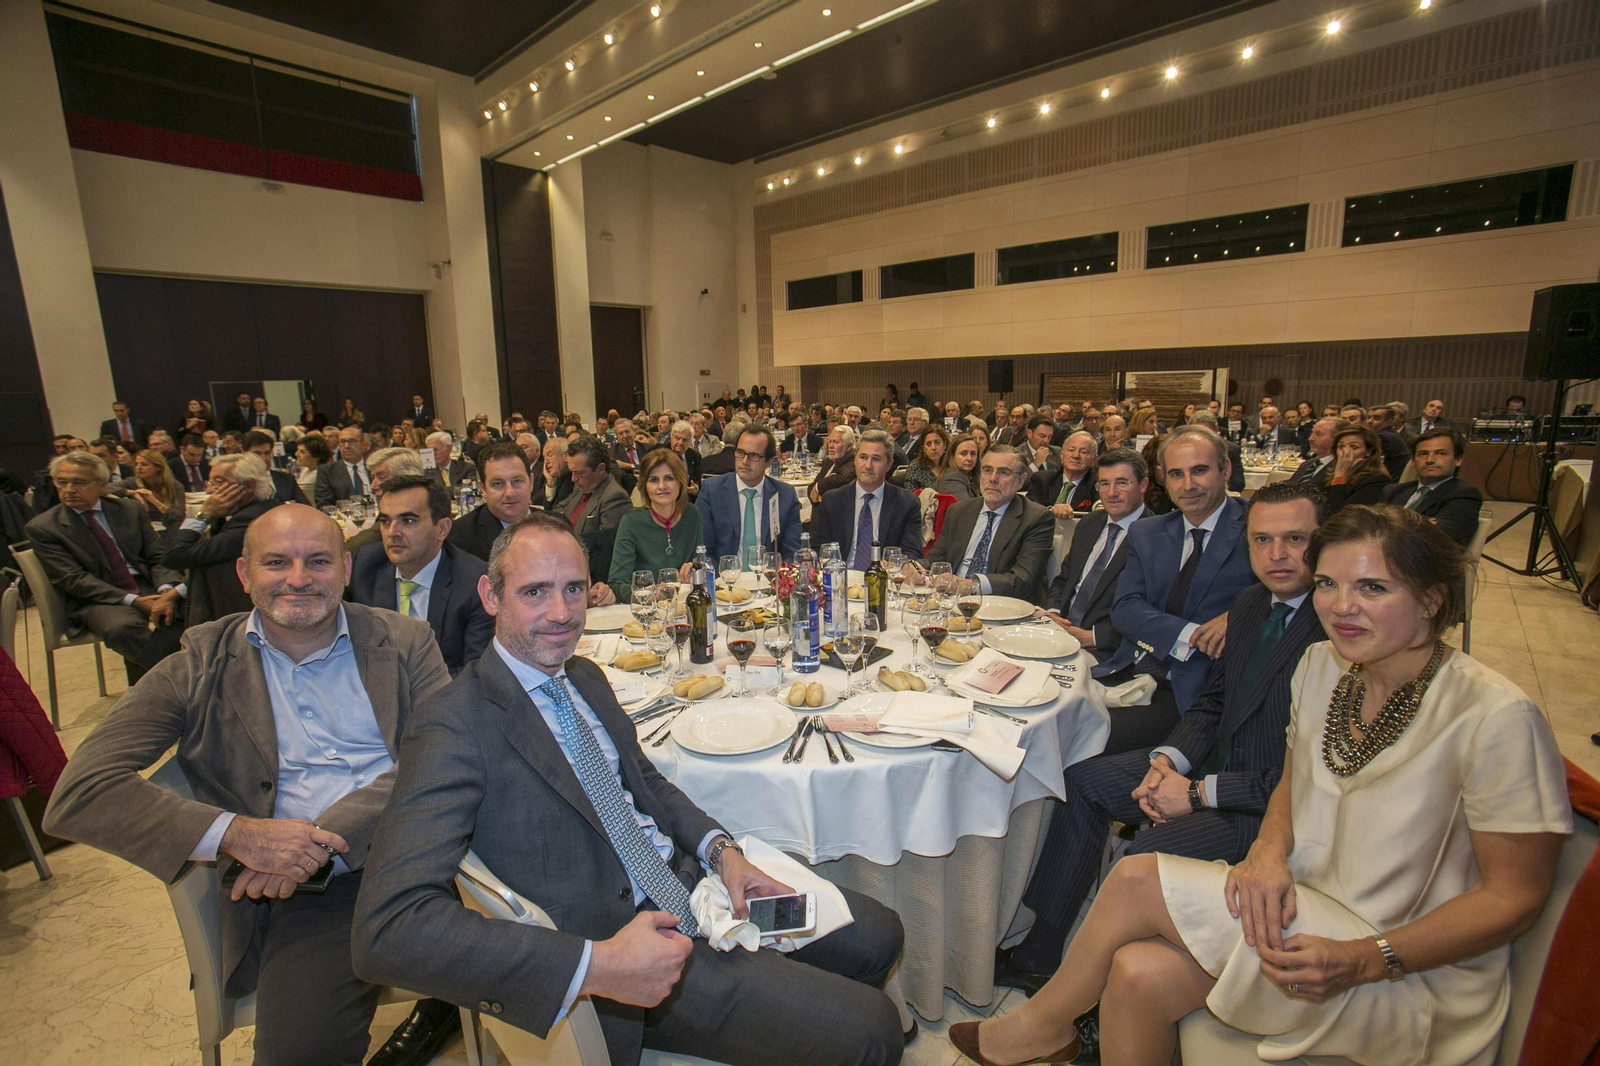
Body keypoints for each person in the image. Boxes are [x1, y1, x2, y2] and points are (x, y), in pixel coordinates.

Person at [955, 505, 1570, 1066]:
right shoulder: (1324, 666)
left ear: (1433, 599)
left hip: (1402, 962)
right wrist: (1269, 854)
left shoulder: (1496, 716)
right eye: (1328, 584)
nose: (1340, 606)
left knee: (1137, 875)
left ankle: (1040, 1027)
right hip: (1304, 904)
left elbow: (1514, 898)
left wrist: (1367, 957)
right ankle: (1050, 1024)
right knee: (1136, 973)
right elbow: (1292, 784)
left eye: (1372, 588)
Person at [352, 512, 905, 1064]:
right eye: (535, 592)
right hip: (625, 951)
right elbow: (388, 929)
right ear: (490, 596)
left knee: (880, 933)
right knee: (872, 1030)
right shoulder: (452, 724)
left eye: (573, 589)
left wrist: (722, 852)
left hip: (694, 886)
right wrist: (595, 965)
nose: (562, 614)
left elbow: (647, 785)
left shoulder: (584, 676)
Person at [43, 504, 458, 1066]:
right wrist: (237, 834)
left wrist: (310, 841)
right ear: (244, 575)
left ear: (345, 569)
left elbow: (441, 757)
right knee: (300, 1055)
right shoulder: (198, 663)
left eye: (317, 561)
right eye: (275, 562)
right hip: (323, 893)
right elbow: (80, 792)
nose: (298, 578)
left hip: (441, 852)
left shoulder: (406, 640)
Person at [997, 481, 1330, 1018]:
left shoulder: (1334, 632)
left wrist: (1197, 793)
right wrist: (1166, 760)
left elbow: (1309, 776)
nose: (1277, 555)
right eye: (1263, 540)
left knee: (1142, 859)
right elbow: (1212, 705)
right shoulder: (1249, 605)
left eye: (1295, 539)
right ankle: (1041, 950)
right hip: (1209, 768)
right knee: (1084, 783)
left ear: (1324, 542)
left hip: (1269, 811)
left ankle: (1101, 1007)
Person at [1096, 426, 1256, 753]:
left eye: (1199, 471)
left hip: (1193, 692)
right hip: (1125, 671)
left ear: (1225, 470)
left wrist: (1242, 613)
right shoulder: (1148, 531)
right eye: (1176, 474)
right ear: (1163, 480)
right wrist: (1192, 636)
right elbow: (1125, 608)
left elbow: (1291, 590)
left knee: (1080, 741)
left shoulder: (1257, 528)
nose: (1188, 485)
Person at [26, 452, 186, 680]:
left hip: (147, 585)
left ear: (102, 484)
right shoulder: (44, 527)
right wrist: (135, 601)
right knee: (122, 629)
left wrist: (165, 591)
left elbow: (157, 555)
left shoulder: (129, 510)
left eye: (79, 482)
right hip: (97, 599)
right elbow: (73, 579)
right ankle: (184, 680)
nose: (69, 489)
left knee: (191, 609)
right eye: (62, 482)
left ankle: (156, 688)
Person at [349, 475, 492, 677]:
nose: (392, 532)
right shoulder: (365, 565)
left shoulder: (474, 581)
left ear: (442, 529)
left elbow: (475, 672)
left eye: (408, 521)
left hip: (441, 699)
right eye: (385, 521)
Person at [1041, 450, 1151, 652]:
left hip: (1107, 649)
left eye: (1122, 483)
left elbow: (1151, 613)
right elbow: (1064, 579)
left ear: (1143, 485)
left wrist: (1093, 637)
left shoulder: (1155, 537)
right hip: (1059, 634)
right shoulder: (1089, 523)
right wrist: (1054, 612)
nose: (1111, 493)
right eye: (1104, 484)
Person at [916, 445, 1053, 601]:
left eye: (1003, 472)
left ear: (1021, 480)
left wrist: (971, 585)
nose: (993, 479)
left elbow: (1024, 579)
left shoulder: (1036, 518)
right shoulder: (959, 511)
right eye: (987, 470)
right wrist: (916, 567)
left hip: (1001, 604)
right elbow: (937, 557)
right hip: (951, 599)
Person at [162, 453, 284, 625]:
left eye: (218, 482)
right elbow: (214, 563)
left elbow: (174, 556)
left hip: (235, 617)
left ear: (249, 486)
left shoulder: (249, 523)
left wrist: (203, 515)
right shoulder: (260, 509)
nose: (209, 491)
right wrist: (177, 591)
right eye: (209, 482)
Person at [814, 429, 925, 566]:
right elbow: (819, 548)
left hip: (884, 579)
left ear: (889, 464)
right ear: (855, 459)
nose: (868, 466)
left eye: (876, 459)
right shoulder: (833, 500)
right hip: (841, 577)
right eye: (863, 457)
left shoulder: (906, 503)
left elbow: (912, 552)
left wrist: (899, 565)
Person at [696, 425, 801, 564]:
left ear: (769, 461)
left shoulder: (785, 495)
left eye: (754, 456)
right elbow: (704, 551)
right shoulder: (712, 491)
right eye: (740, 452)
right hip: (724, 580)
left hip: (769, 579)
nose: (744, 461)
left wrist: (778, 578)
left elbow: (792, 552)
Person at [610, 449, 705, 599]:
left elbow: (701, 564)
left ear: (680, 482)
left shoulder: (692, 514)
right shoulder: (631, 523)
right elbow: (616, 584)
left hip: (686, 603)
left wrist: (695, 568)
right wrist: (650, 594)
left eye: (669, 478)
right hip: (648, 610)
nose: (662, 486)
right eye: (653, 480)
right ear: (645, 487)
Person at [1381, 429, 1482, 547]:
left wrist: (1390, 524)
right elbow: (1369, 528)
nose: (1430, 460)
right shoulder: (1392, 491)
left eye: (1441, 453)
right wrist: (1421, 525)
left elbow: (1442, 541)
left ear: (1458, 460)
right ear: (1413, 461)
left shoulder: (1464, 494)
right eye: (1423, 454)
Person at [556, 436, 634, 537]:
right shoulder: (582, 487)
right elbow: (559, 512)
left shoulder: (615, 498)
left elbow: (603, 546)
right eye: (572, 472)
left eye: (579, 473)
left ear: (600, 469)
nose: (573, 479)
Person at [1324, 425, 1393, 513]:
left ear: (1368, 451)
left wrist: (1340, 476)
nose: (1345, 452)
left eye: (1353, 447)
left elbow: (1338, 515)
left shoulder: (1377, 481)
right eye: (1341, 447)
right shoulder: (1329, 473)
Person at [1027, 432, 1098, 517]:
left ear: (1094, 460)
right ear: (1062, 456)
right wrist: (1051, 510)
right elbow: (1030, 512)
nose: (1076, 456)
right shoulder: (1042, 480)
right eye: (1071, 450)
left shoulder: (1098, 484)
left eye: (1083, 452)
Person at [113, 448, 187, 524]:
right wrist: (130, 492)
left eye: (144, 464)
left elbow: (179, 516)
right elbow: (105, 488)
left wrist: (155, 502)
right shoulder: (132, 482)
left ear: (158, 467)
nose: (138, 468)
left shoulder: (175, 486)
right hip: (143, 527)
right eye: (136, 464)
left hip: (168, 526)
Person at [241, 431, 310, 505]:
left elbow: (305, 506)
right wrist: (285, 504)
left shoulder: (286, 479)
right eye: (257, 454)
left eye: (267, 453)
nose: (263, 458)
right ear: (244, 454)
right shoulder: (240, 482)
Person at [315, 425, 374, 508]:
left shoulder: (373, 468)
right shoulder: (327, 471)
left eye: (352, 441)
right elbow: (323, 504)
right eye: (342, 442)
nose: (347, 446)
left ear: (364, 445)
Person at [808, 425, 858, 506]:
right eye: (829, 441)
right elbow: (811, 487)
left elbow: (841, 478)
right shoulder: (829, 462)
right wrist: (813, 492)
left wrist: (817, 487)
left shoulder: (853, 461)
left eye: (836, 442)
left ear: (849, 446)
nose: (831, 446)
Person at [1288, 417, 1340, 485]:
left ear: (1336, 438)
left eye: (1319, 434)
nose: (1310, 439)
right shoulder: (1307, 464)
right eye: (1311, 433)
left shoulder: (1338, 469)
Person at [1364, 406, 1411, 478]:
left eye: (1376, 418)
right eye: (1369, 417)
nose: (1370, 421)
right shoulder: (1391, 434)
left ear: (1389, 421)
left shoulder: (1383, 437)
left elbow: (1377, 467)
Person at [900, 424, 949, 492]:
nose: (933, 448)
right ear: (923, 448)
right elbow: (911, 497)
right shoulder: (915, 468)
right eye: (928, 444)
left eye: (937, 443)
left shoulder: (951, 466)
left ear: (945, 445)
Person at [935, 435, 979, 500]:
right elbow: (966, 508)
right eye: (963, 453)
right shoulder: (952, 479)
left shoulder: (967, 476)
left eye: (973, 453)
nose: (969, 458)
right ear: (952, 455)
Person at [665, 421, 703, 497]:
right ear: (671, 437)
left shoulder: (695, 456)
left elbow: (698, 481)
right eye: (677, 438)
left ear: (691, 441)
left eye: (685, 440)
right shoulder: (660, 452)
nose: (680, 442)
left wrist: (695, 488)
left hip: (687, 500)